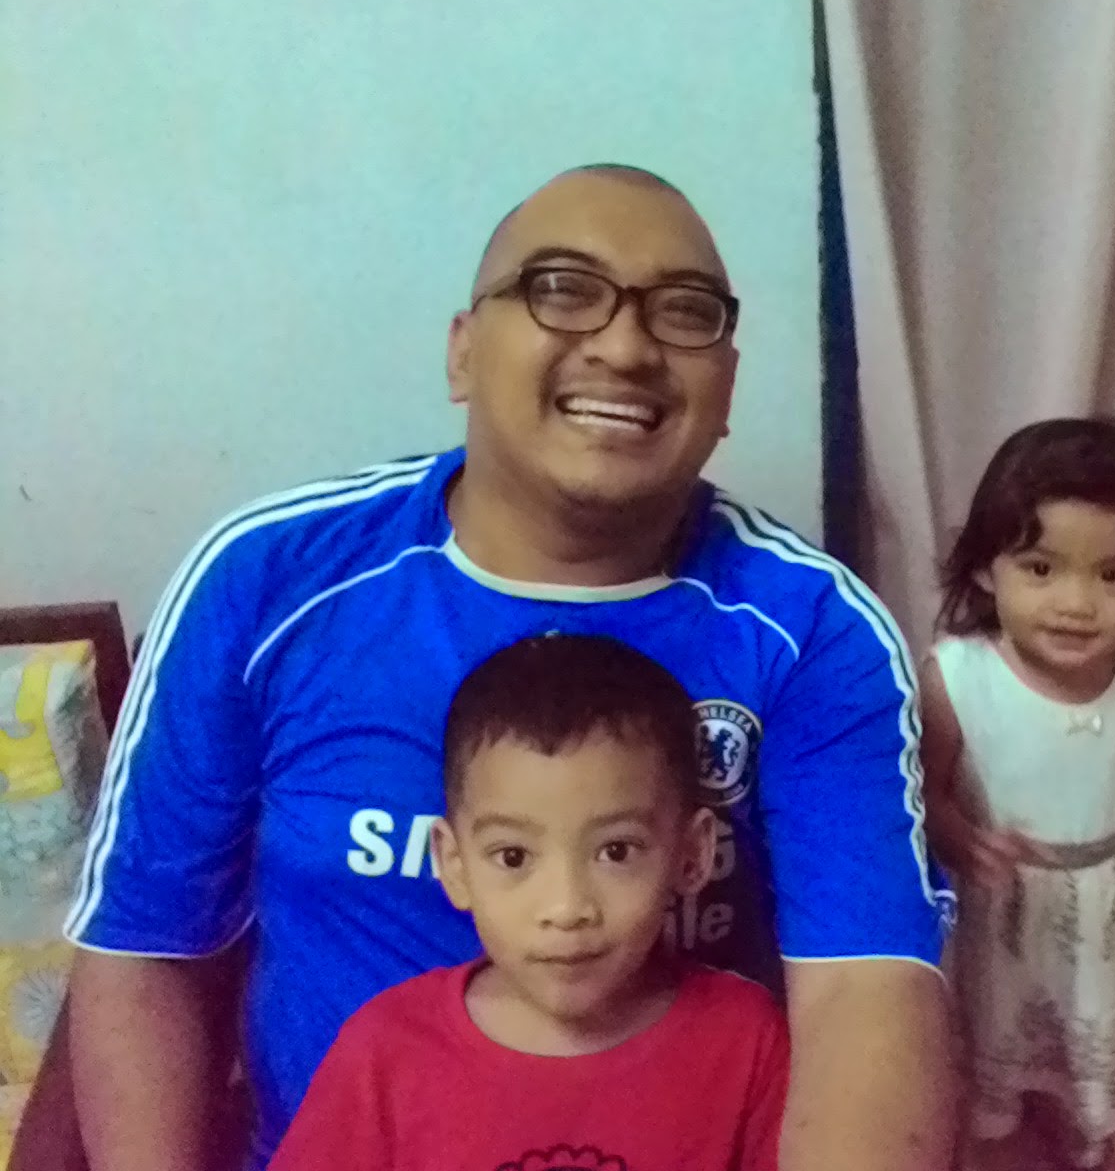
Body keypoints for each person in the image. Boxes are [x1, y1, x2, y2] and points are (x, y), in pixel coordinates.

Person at [64, 164, 955, 1171]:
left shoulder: (813, 630)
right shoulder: (269, 579)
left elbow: (866, 992)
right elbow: (148, 948)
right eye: (562, 289)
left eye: (684, 311)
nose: (626, 347)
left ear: (727, 388)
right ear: (463, 350)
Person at [267, 634, 788, 1171]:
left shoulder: (745, 1041)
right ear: (454, 864)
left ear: (692, 854)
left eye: (616, 851)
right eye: (513, 857)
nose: (566, 909)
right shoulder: (384, 1050)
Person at [919, 417, 1115, 1170]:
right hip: (1005, 907)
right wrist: (959, 836)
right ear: (986, 568)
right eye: (1042, 568)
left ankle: (1087, 1121)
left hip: (1110, 899)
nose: (1077, 603)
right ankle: (990, 1115)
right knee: (999, 1018)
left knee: (1091, 1017)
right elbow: (924, 791)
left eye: (1113, 575)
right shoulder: (958, 677)